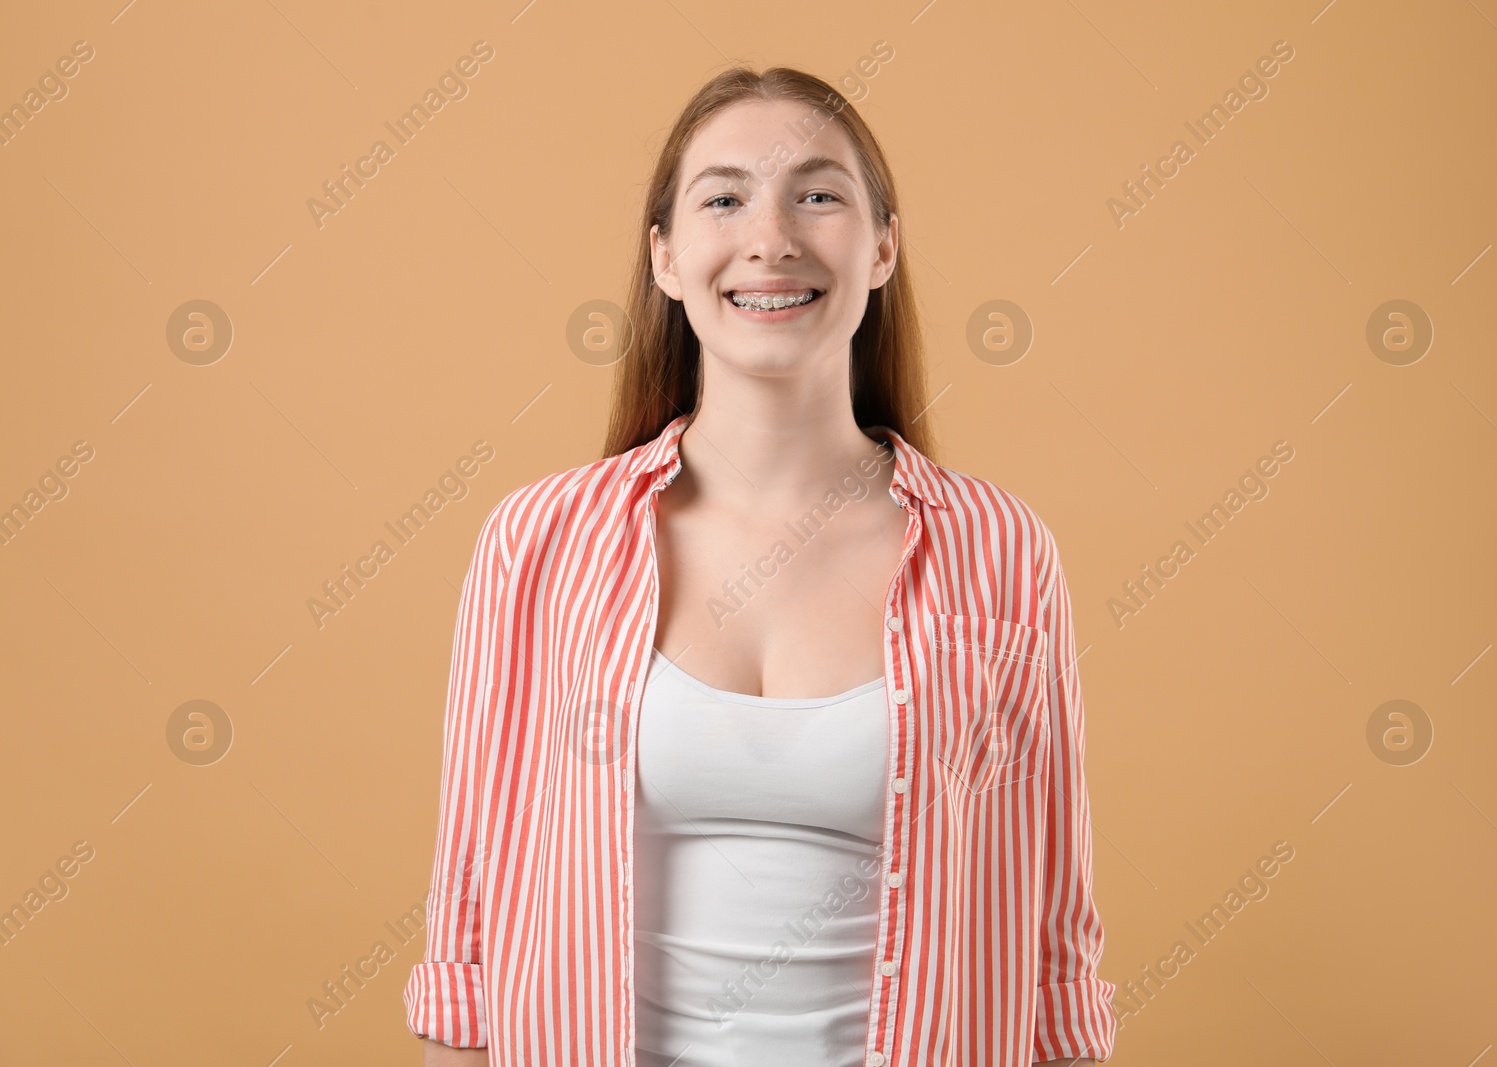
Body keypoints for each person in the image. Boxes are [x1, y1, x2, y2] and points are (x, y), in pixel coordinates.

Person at [407, 66, 1117, 1066]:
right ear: (665, 257)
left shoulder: (1000, 552)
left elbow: (1052, 960)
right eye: (725, 197)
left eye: (818, 194)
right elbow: (468, 950)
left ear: (881, 247)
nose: (770, 238)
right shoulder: (536, 542)